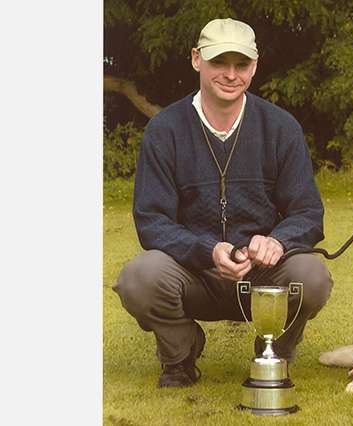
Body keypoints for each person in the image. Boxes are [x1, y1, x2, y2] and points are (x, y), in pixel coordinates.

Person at [113, 18, 333, 388]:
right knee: (139, 277)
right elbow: (151, 220)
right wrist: (207, 250)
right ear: (197, 59)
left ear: (255, 65)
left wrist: (277, 241)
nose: (231, 75)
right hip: (193, 273)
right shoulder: (165, 130)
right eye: (219, 62)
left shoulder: (281, 127)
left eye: (241, 64)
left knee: (311, 277)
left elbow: (307, 212)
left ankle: (273, 354)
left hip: (262, 277)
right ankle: (180, 354)